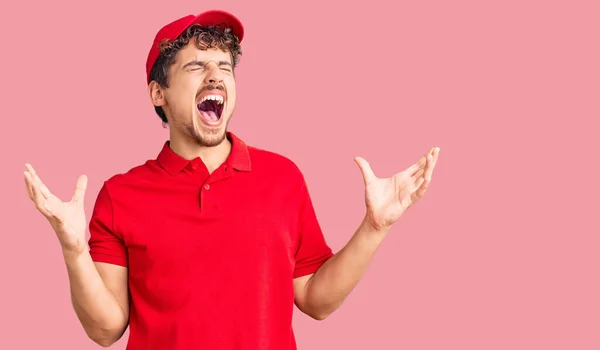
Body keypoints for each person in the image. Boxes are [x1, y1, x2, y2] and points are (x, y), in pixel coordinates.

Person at [23, 9, 440, 350]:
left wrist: (374, 227)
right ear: (158, 93)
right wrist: (74, 249)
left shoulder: (283, 178)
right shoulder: (121, 195)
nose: (215, 76)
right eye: (197, 66)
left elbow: (315, 299)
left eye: (224, 66)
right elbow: (105, 329)